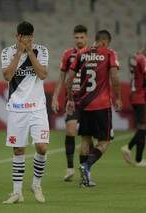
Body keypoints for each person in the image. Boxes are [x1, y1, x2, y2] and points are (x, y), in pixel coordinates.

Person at [66, 30, 122, 187]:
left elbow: (69, 79)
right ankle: (87, 166)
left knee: (85, 139)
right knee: (104, 141)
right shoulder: (109, 53)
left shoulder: (81, 54)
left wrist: (70, 99)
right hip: (102, 105)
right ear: (105, 42)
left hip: (84, 105)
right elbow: (115, 78)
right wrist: (118, 98)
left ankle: (84, 179)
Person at [1, 21, 49, 204]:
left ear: (32, 37)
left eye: (30, 38)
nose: (27, 40)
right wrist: (19, 54)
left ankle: (36, 185)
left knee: (42, 147)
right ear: (17, 37)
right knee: (18, 149)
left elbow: (43, 74)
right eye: (24, 38)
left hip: (37, 107)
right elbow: (7, 76)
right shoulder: (7, 52)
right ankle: (17, 192)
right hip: (16, 108)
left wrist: (29, 52)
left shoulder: (41, 51)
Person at [51, 25, 89, 181]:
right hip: (72, 101)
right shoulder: (68, 54)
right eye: (76, 37)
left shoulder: (93, 54)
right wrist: (54, 97)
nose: (79, 40)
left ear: (86, 37)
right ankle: (69, 168)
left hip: (89, 100)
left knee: (87, 138)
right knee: (70, 131)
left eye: (82, 37)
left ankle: (85, 172)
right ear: (73, 38)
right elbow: (61, 78)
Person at [121, 45, 146, 166]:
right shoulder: (143, 59)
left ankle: (138, 158)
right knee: (142, 128)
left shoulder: (136, 57)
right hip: (140, 96)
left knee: (143, 127)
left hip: (135, 95)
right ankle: (130, 149)